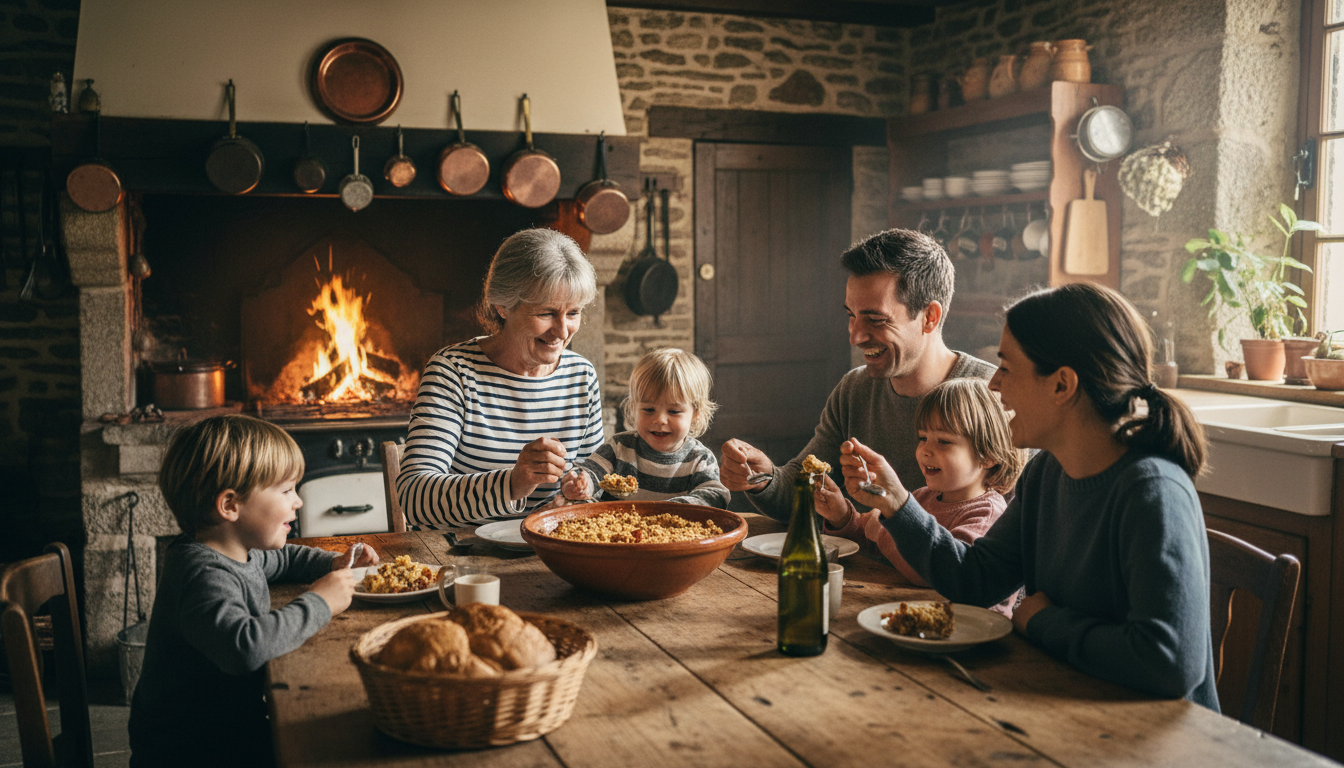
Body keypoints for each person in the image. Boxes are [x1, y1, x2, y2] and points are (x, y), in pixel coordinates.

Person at [844, 283, 1218, 710]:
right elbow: (975, 579)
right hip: (1063, 701)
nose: (995, 385)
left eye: (1006, 368)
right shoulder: (1048, 472)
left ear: (1062, 385)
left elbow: (1169, 664)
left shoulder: (1153, 492)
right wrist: (897, 502)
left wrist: (1043, 621)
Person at [128, 414, 378, 768]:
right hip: (192, 750)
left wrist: (333, 563)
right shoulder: (202, 574)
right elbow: (244, 647)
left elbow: (286, 559)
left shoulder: (236, 550)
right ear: (230, 505)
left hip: (229, 729)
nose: (299, 502)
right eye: (287, 490)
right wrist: (321, 601)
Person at [721, 228, 996, 521]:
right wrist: (764, 478)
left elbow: (1013, 537)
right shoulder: (855, 388)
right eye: (851, 316)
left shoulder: (994, 395)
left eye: (875, 320)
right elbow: (803, 490)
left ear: (929, 317)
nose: (855, 337)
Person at [398, 228, 605, 527]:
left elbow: (593, 483)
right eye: (546, 313)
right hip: (462, 558)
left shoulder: (580, 375)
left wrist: (581, 493)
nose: (562, 331)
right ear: (503, 306)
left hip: (551, 554)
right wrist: (511, 484)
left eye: (573, 312)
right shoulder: (453, 371)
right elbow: (415, 499)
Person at [813, 378, 1024, 609]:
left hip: (970, 633)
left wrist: (884, 520)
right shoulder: (924, 498)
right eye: (923, 438)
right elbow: (879, 544)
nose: (926, 450)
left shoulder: (987, 515)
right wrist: (843, 517)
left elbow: (931, 572)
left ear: (988, 455)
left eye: (943, 441)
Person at [561, 348, 729, 507]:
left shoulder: (699, 459)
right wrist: (581, 485)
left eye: (674, 411)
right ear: (634, 408)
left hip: (676, 536)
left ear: (695, 414)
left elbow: (716, 495)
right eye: (649, 410)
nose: (660, 420)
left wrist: (673, 509)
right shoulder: (619, 447)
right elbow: (591, 473)